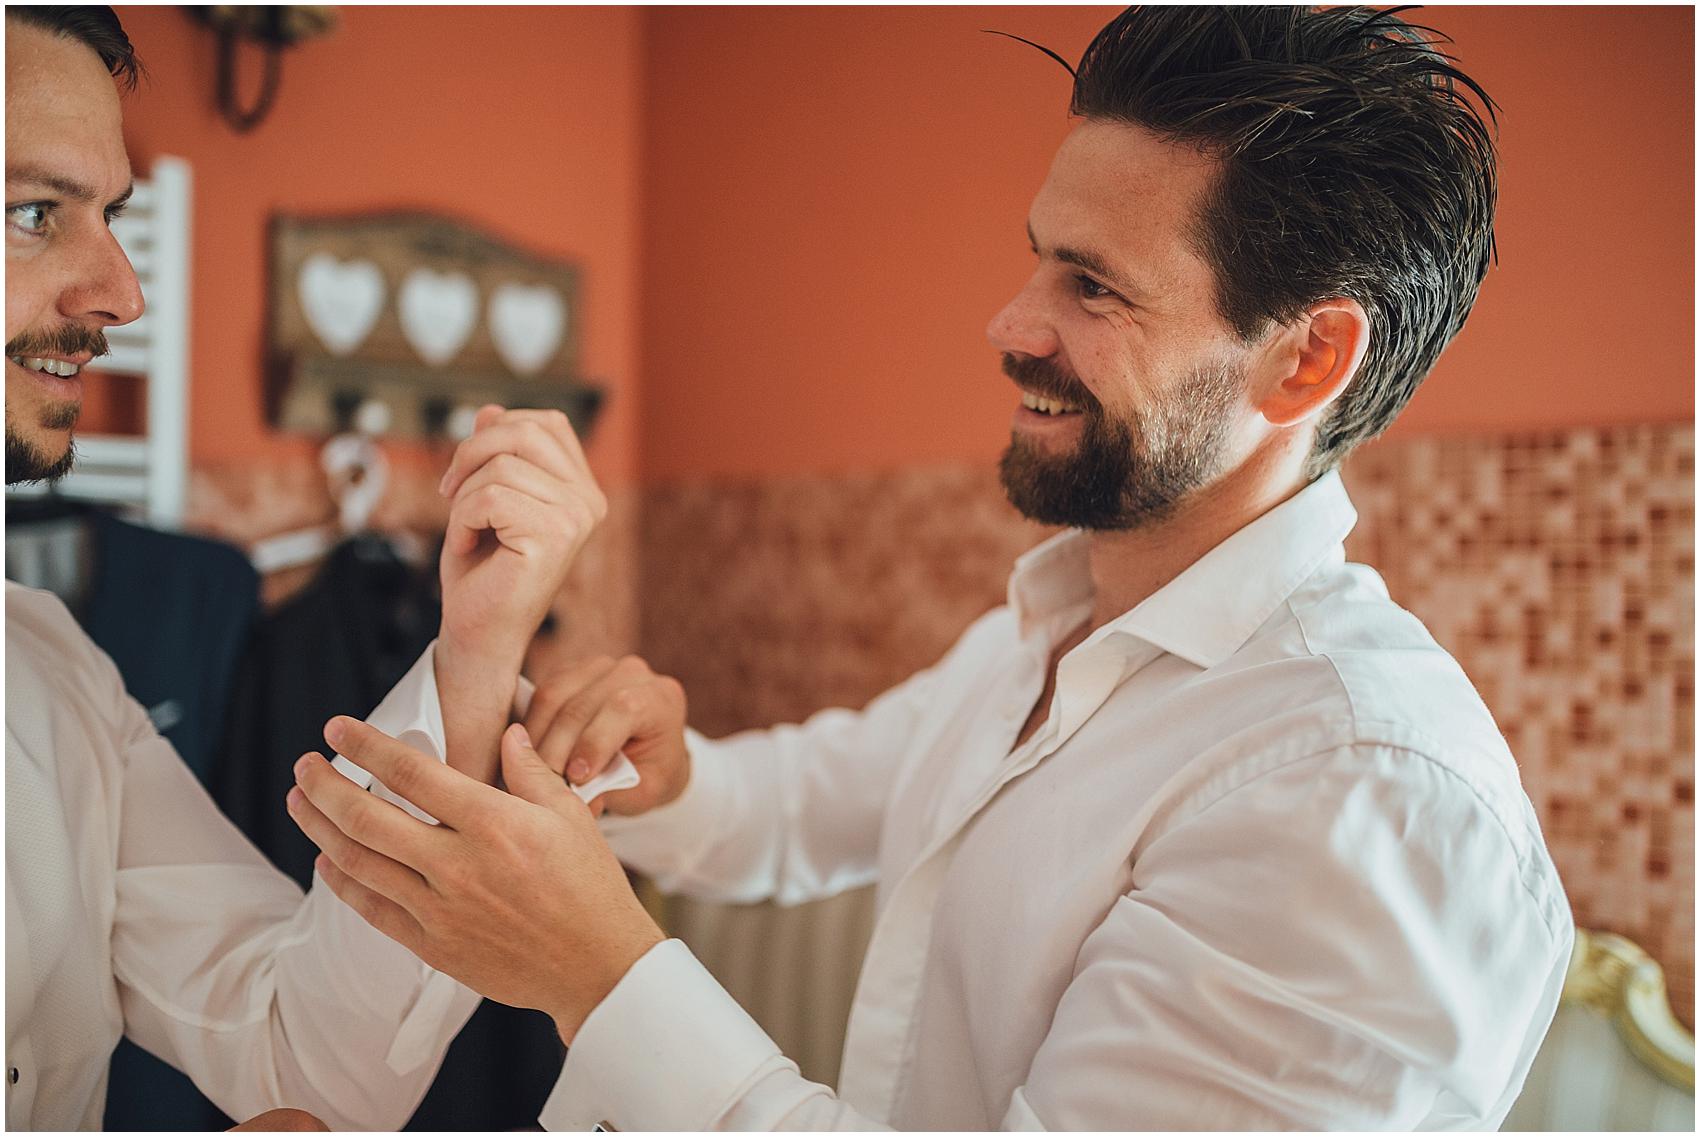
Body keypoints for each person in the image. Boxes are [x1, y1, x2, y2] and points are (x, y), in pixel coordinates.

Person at [291, 6, 1573, 1130]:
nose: (1010, 324)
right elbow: (809, 806)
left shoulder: (1360, 804)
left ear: (1300, 362)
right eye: (1038, 255)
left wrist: (598, 975)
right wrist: (665, 777)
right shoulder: (1052, 628)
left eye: (1093, 286)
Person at [4, 6, 607, 1129]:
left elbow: (301, 1059)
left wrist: (473, 647)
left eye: (113, 216)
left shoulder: (55, 676)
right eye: (33, 213)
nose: (123, 294)